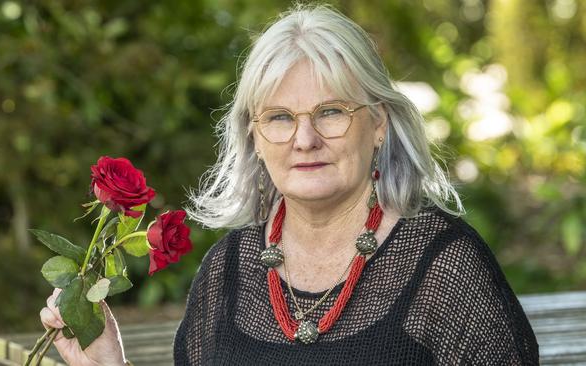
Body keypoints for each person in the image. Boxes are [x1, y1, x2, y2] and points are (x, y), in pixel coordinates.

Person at [40, 4, 539, 365]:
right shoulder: (226, 273)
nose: (305, 139)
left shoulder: (446, 269)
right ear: (254, 135)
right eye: (279, 117)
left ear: (379, 123)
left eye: (331, 112)